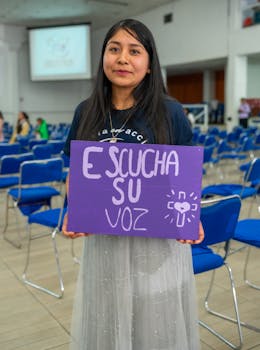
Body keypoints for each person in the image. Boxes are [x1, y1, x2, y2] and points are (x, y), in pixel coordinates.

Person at [62, 19, 204, 350]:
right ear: (103, 59)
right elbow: (76, 169)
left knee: (153, 318)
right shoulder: (86, 112)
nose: (123, 58)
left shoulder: (170, 112)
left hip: (156, 242)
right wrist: (73, 209)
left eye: (134, 51)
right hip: (106, 239)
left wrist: (190, 215)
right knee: (109, 315)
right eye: (114, 49)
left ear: (150, 64)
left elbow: (185, 173)